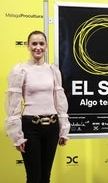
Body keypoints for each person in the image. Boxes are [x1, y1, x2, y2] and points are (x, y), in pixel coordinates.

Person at [5, 30, 70, 183]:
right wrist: (17, 135)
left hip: (52, 127)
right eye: (34, 44)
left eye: (41, 43)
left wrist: (63, 129)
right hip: (30, 128)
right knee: (34, 177)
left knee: (45, 177)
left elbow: (59, 100)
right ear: (28, 46)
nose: (38, 47)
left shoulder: (53, 70)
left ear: (46, 46)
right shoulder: (20, 70)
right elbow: (13, 103)